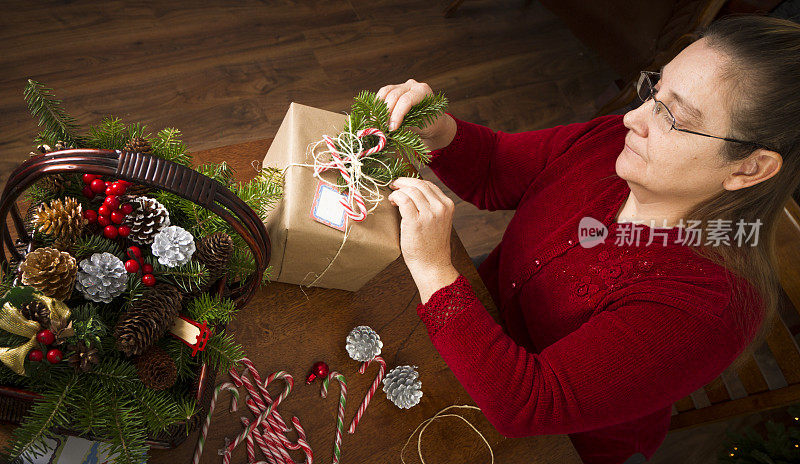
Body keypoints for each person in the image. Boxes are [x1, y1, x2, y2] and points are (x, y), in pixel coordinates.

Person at [380, 15, 800, 464]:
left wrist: (433, 269)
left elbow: (528, 405)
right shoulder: (612, 146)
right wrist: (440, 130)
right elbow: (494, 168)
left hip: (548, 442)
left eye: (674, 117)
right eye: (655, 92)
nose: (633, 118)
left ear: (748, 168)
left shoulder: (708, 310)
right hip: (481, 310)